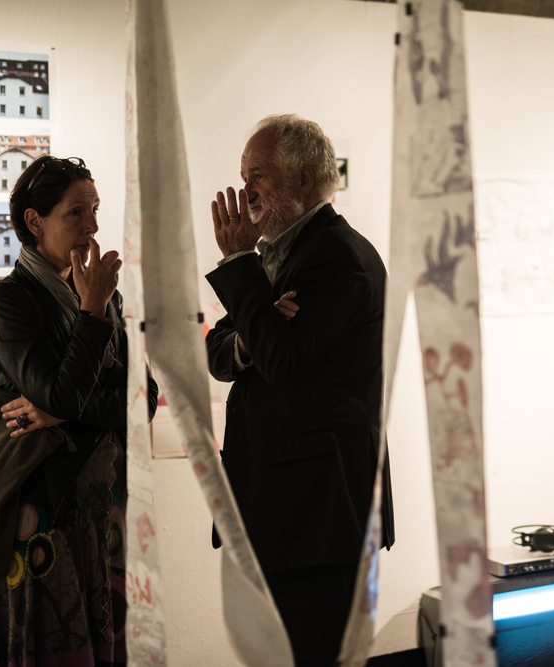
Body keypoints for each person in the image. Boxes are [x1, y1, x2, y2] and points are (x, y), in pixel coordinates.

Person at [205, 114, 395, 667]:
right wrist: (252, 334)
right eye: (243, 176)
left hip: (319, 515)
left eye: (257, 176)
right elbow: (218, 351)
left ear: (303, 179)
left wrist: (238, 263)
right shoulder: (281, 253)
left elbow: (282, 360)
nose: (245, 191)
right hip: (287, 513)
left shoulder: (337, 256)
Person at [0, 155, 158, 667]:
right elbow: (62, 395)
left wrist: (63, 412)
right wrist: (91, 312)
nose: (92, 226)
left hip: (105, 503)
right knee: (54, 646)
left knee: (107, 639)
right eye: (76, 212)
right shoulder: (6, 301)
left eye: (95, 210)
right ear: (35, 222)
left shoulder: (103, 294)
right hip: (45, 513)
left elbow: (143, 398)